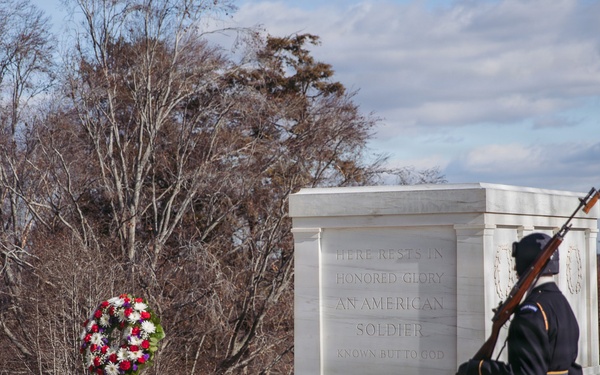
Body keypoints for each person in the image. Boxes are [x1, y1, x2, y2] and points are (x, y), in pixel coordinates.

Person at [457, 232, 582, 375]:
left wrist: (478, 368)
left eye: (516, 263)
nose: (514, 269)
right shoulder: (562, 304)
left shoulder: (530, 313)